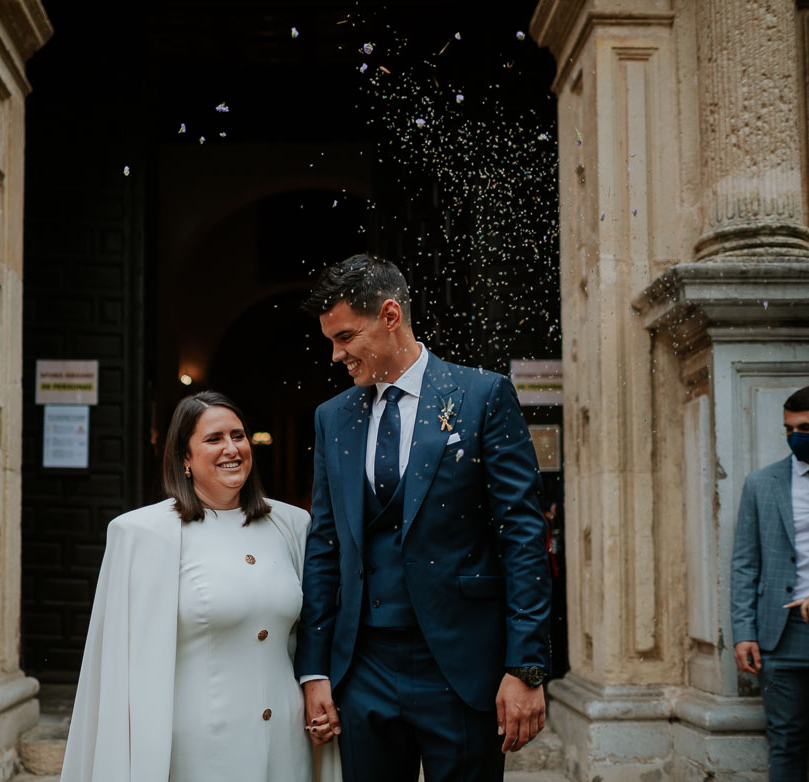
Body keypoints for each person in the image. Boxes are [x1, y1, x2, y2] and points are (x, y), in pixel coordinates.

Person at [294, 254, 552, 782]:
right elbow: (325, 545)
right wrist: (315, 670)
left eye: (346, 336)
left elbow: (523, 534)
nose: (336, 354)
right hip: (362, 668)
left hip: (459, 665)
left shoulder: (482, 396)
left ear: (391, 315)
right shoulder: (332, 418)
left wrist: (525, 667)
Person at [62, 390, 340, 782]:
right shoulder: (141, 534)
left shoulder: (293, 525)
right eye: (214, 439)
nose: (232, 448)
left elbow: (314, 626)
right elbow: (121, 666)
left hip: (285, 742)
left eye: (239, 435)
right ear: (184, 458)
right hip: (198, 750)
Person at [730, 384, 809, 782]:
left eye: (806, 428)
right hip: (780, 636)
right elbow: (745, 563)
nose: (797, 437)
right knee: (786, 741)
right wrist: (744, 632)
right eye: (790, 429)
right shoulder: (762, 483)